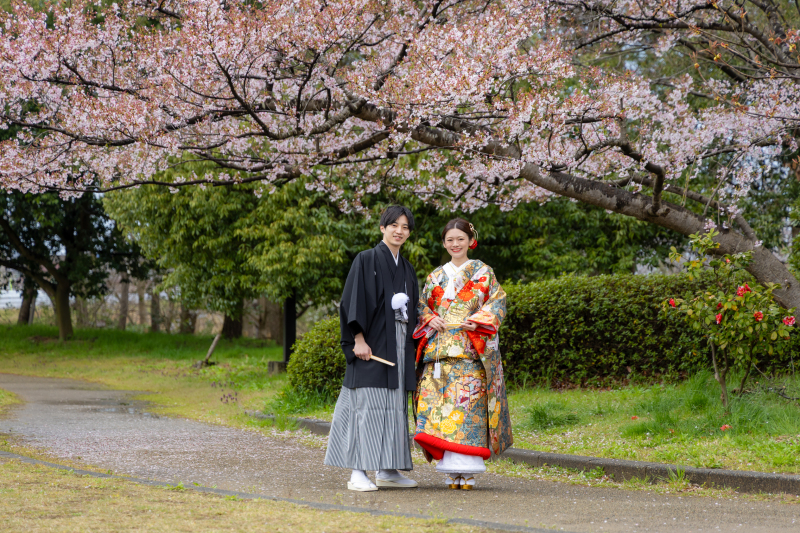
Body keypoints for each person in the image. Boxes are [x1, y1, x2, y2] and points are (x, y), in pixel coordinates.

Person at [324, 205, 420, 492]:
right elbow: (352, 301)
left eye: (405, 227)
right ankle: (358, 472)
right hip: (373, 343)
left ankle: (388, 469)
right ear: (382, 227)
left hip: (399, 344)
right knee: (366, 406)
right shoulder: (366, 259)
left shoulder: (406, 267)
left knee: (393, 407)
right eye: (394, 225)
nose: (399, 231)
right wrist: (358, 339)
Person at [412, 218, 513, 490]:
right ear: (444, 243)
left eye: (460, 239)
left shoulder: (483, 272)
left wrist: (478, 320)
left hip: (470, 353)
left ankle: (466, 471)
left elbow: (497, 302)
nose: (455, 244)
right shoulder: (435, 276)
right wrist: (430, 318)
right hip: (439, 355)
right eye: (449, 240)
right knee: (438, 413)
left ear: (471, 240)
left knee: (467, 413)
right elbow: (422, 306)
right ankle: (448, 470)